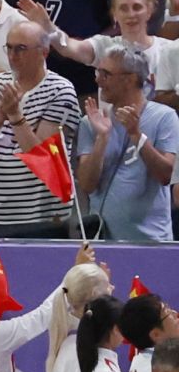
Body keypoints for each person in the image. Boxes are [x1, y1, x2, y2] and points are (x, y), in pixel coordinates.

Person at [0, 20, 82, 238]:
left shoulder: (61, 91)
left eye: (21, 49)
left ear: (44, 52)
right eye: (9, 47)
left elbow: (41, 160)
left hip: (42, 218)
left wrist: (14, 116)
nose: (13, 56)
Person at [75, 43, 178, 240]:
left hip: (151, 241)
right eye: (98, 73)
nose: (98, 80)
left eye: (105, 74)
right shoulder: (91, 122)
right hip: (102, 241)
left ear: (129, 79)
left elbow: (165, 175)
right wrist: (102, 138)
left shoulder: (164, 117)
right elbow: (87, 185)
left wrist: (136, 135)